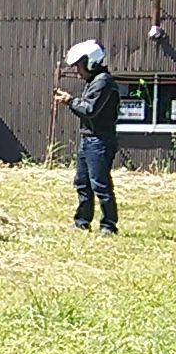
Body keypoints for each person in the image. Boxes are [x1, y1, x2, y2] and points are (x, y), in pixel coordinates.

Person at [54, 38, 120, 234]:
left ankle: (108, 225)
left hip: (99, 140)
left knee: (100, 184)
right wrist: (71, 101)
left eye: (79, 66)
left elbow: (90, 109)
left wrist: (70, 100)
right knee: (82, 182)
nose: (77, 71)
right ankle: (82, 221)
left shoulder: (103, 82)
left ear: (91, 62)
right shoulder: (94, 82)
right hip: (89, 139)